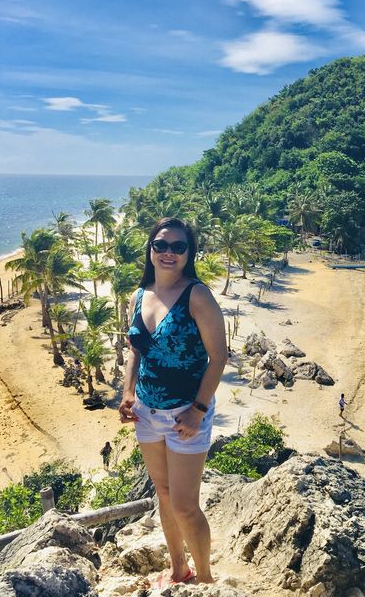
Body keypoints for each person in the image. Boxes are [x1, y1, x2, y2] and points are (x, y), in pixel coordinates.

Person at [119, 217, 228, 586]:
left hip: (186, 413)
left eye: (178, 247)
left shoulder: (196, 295)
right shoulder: (138, 295)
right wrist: (128, 393)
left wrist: (198, 410)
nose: (168, 252)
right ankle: (179, 567)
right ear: (150, 249)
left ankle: (206, 578)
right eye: (161, 245)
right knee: (163, 495)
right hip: (146, 413)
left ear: (188, 254)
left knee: (185, 505)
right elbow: (136, 350)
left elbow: (220, 356)